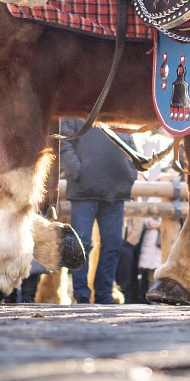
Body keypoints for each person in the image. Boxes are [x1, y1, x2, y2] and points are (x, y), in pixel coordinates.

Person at [58, 120, 136, 304]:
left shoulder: (119, 114)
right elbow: (64, 142)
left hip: (116, 190)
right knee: (82, 244)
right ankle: (81, 295)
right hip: (83, 192)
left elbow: (131, 147)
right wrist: (77, 171)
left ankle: (104, 295)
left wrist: (130, 173)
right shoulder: (76, 112)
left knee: (113, 245)